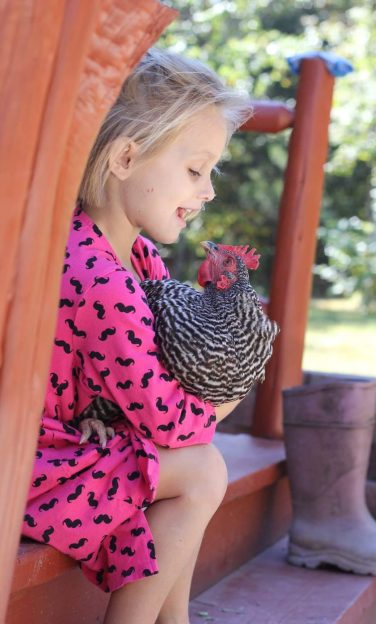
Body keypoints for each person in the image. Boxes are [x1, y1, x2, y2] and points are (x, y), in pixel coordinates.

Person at [22, 49, 253, 624]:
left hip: (67, 448)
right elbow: (164, 419)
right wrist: (225, 400)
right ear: (126, 156)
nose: (208, 191)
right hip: (32, 469)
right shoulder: (97, 276)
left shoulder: (135, 255)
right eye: (195, 169)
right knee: (202, 469)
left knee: (197, 464)